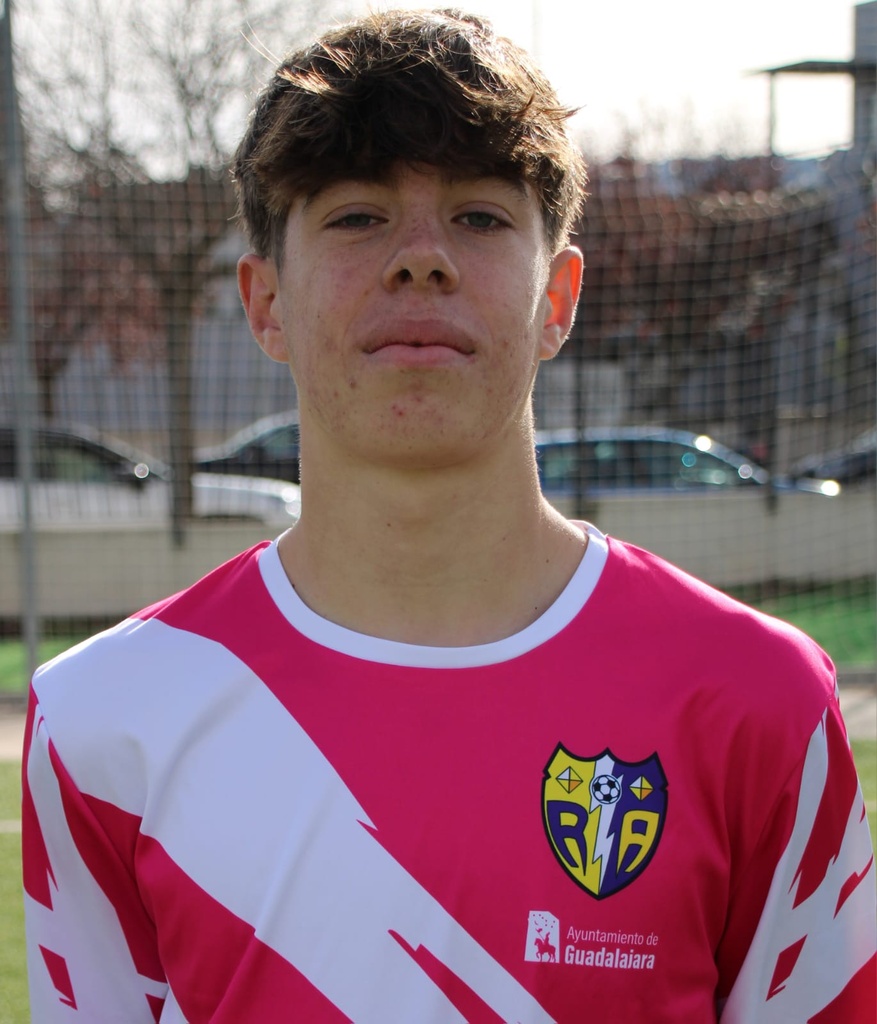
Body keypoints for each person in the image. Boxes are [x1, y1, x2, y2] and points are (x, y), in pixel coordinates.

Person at [21, 8, 876, 1022]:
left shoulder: (756, 701)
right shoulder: (105, 719)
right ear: (265, 303)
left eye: (478, 216)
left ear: (557, 297)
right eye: (356, 216)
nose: (421, 258)